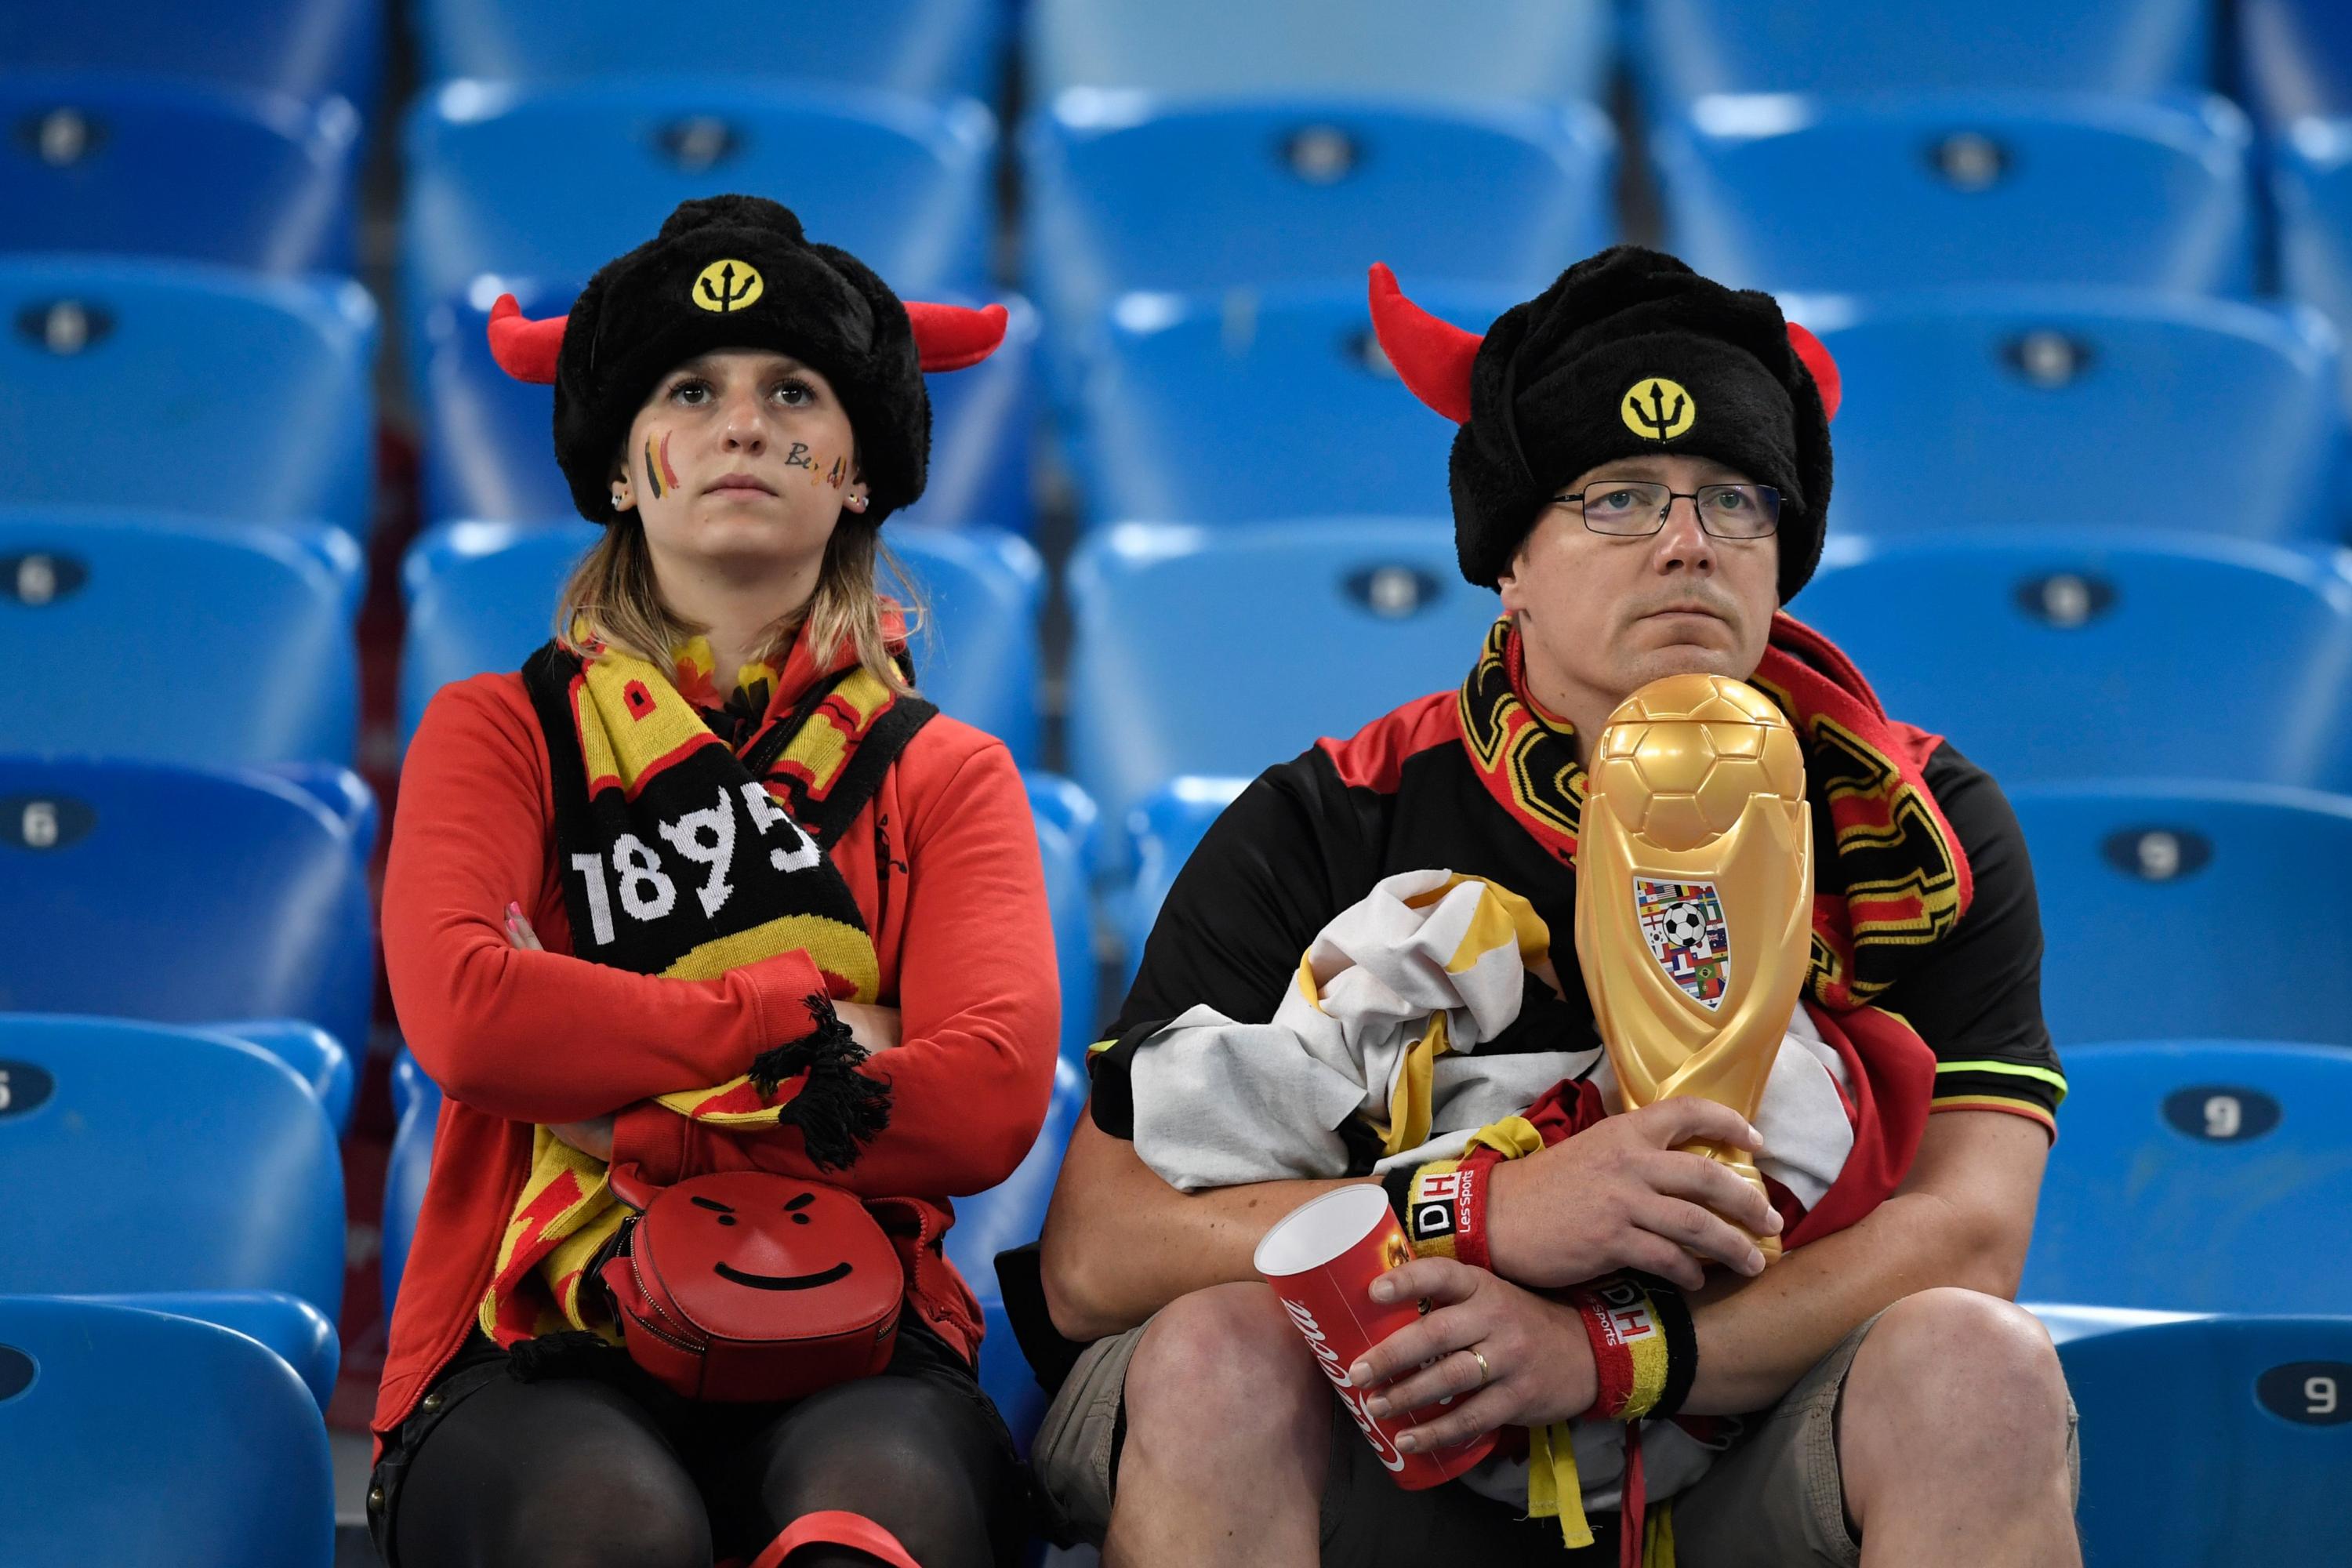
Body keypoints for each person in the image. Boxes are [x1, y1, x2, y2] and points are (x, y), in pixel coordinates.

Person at [1016, 246, 2077, 1567]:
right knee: (1213, 1353)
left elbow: (1970, 1233)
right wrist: (1481, 1213)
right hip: (1385, 1426)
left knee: (1977, 1365)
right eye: (1621, 500)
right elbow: (1097, 1253)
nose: (1690, 542)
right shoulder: (1331, 813)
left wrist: (1608, 1353)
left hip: (1741, 1425)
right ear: (1509, 559)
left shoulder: (1916, 823)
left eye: (1736, 501)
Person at [370, 194, 1058, 1568]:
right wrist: (798, 1027)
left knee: (877, 1523)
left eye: (792, 390)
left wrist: (616, 1103)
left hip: (869, 1342)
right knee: (611, 1529)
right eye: (691, 389)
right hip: (533, 1341)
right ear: (625, 468)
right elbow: (467, 1018)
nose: (744, 424)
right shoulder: (495, 729)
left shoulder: (950, 773)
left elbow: (983, 1104)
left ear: (855, 470)